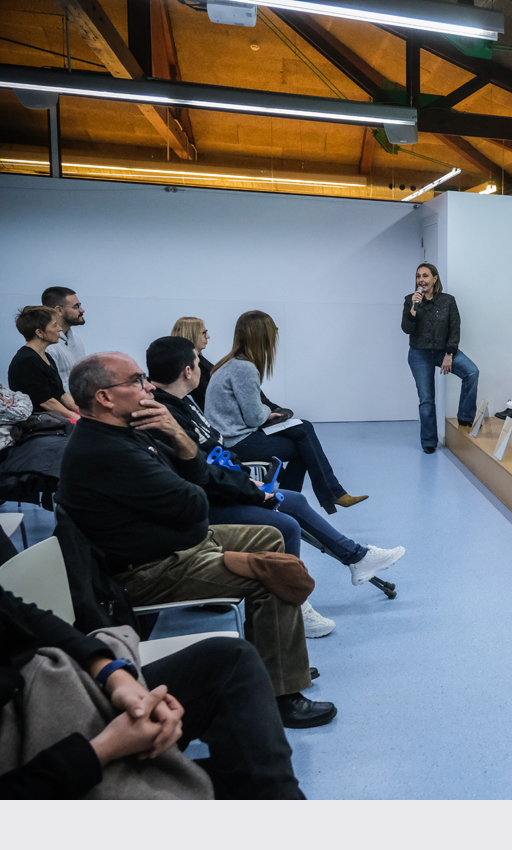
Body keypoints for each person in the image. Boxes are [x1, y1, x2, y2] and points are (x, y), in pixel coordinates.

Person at [56, 351, 336, 728]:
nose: (148, 386)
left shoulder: (126, 431)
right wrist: (192, 479)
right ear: (104, 397)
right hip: (148, 570)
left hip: (174, 545)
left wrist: (174, 432)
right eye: (136, 380)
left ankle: (277, 664)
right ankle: (282, 696)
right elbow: (193, 502)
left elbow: (198, 475)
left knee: (271, 536)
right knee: (275, 577)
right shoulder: (106, 451)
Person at [145, 336, 405, 638]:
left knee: (295, 499)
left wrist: (248, 480)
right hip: (206, 503)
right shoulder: (165, 417)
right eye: (196, 360)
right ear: (187, 371)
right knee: (286, 524)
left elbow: (214, 453)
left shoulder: (183, 402)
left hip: (222, 484)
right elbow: (200, 472)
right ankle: (293, 608)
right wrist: (254, 490)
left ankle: (357, 557)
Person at [0, 585, 305, 799]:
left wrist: (114, 675)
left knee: (232, 660)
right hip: (42, 761)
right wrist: (105, 749)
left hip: (51, 688)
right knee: (273, 558)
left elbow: (18, 611)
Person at [205, 310, 367, 515]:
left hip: (230, 435)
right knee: (303, 446)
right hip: (235, 442)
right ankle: (304, 501)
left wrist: (265, 414)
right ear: (262, 336)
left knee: (304, 429)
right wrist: (266, 411)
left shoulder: (231, 363)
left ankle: (315, 497)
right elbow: (254, 417)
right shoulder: (244, 368)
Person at [401, 263, 480, 454]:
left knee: (471, 372)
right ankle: (429, 441)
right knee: (427, 399)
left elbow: (455, 328)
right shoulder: (410, 300)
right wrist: (413, 309)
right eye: (418, 276)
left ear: (435, 278)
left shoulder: (448, 301)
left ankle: (465, 417)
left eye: (425, 276)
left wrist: (449, 353)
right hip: (419, 354)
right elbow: (406, 329)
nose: (421, 280)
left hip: (444, 351)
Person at [9, 305, 78, 419]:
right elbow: (46, 402)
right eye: (55, 325)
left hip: (53, 417)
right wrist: (78, 419)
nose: (60, 329)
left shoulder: (46, 356)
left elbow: (61, 394)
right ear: (39, 332)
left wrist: (82, 412)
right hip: (38, 421)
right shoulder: (27, 361)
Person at [41, 286, 85, 393]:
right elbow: (54, 389)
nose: (82, 310)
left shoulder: (76, 339)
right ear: (59, 310)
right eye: (76, 306)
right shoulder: (47, 347)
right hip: (67, 402)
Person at [171, 317, 213, 410]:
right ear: (191, 335)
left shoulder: (197, 360)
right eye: (204, 332)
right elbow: (205, 398)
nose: (208, 336)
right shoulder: (191, 365)